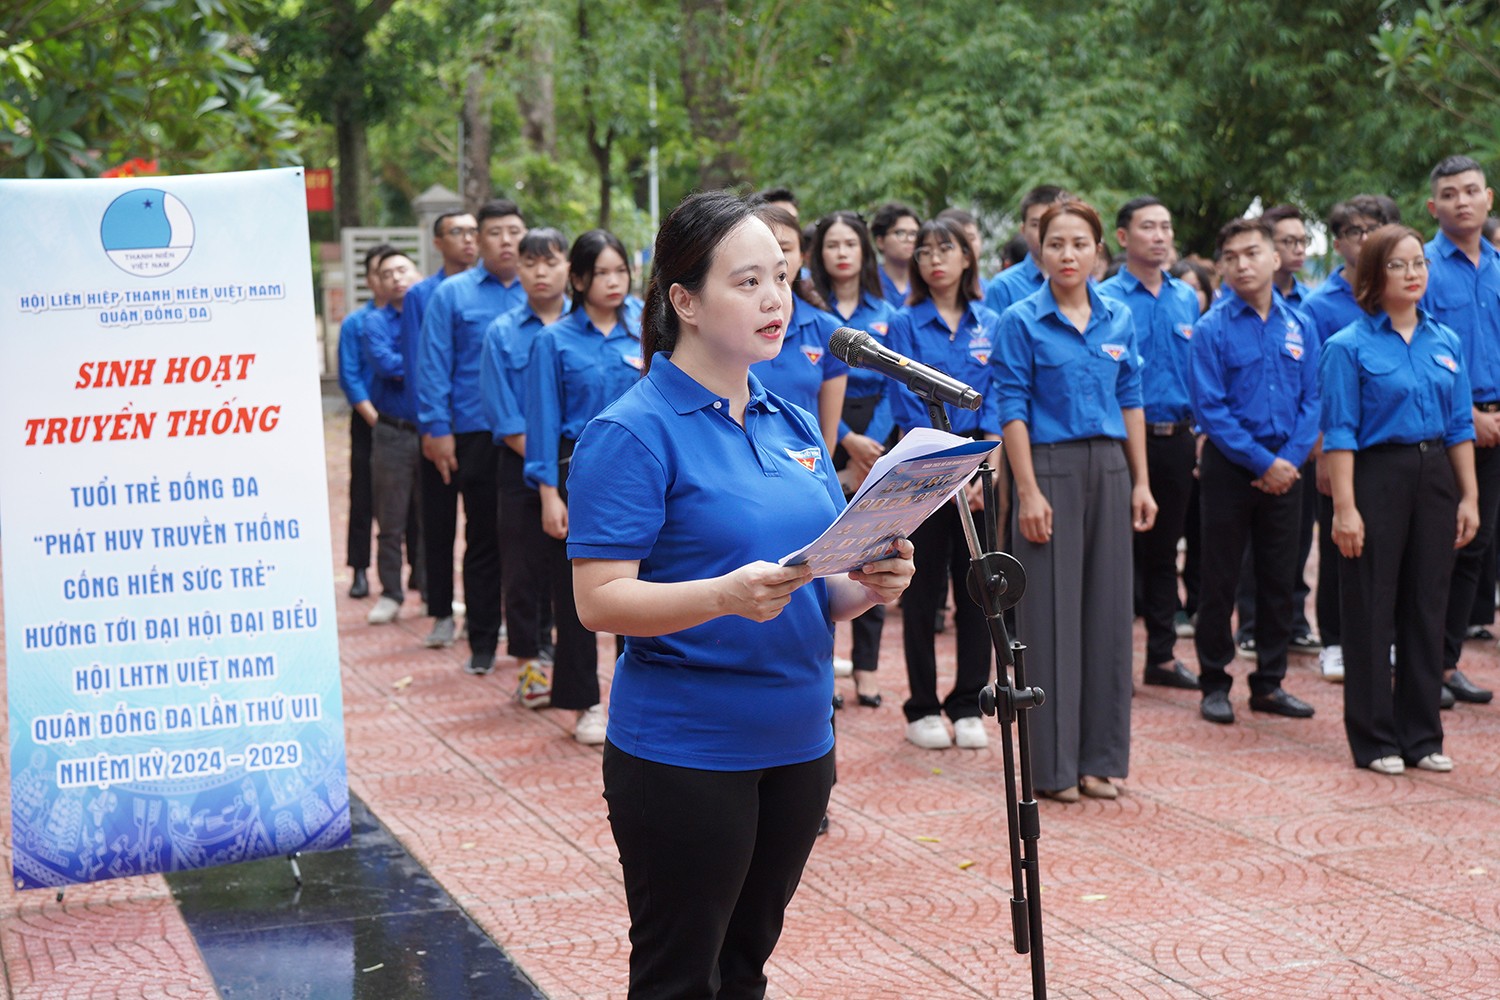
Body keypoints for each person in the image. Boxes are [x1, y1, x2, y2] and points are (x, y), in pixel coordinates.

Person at [565, 190, 915, 998]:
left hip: (797, 741)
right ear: (684, 301)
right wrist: (722, 595)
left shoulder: (793, 422)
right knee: (680, 975)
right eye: (748, 281)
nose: (775, 300)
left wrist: (869, 586)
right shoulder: (632, 431)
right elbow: (599, 600)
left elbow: (813, 591)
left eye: (782, 279)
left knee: (746, 965)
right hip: (687, 751)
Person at [991, 200, 1157, 800]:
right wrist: (1028, 490)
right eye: (1056, 243)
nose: (1068, 255)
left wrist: (1140, 480)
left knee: (1109, 617)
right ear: (1040, 249)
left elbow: (1132, 396)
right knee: (1049, 620)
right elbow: (1009, 407)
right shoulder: (1020, 319)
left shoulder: (1119, 316)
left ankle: (1101, 759)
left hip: (1110, 466)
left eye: (1079, 244)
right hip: (1050, 469)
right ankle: (1054, 768)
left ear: (1097, 251)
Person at [1320, 223, 1478, 773]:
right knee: (1369, 605)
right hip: (1376, 475)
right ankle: (1375, 738)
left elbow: (1460, 426)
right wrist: (1345, 508)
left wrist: (1469, 497)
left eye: (1420, 263)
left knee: (1426, 605)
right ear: (1373, 275)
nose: (1413, 274)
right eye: (1398, 264)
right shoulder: (1348, 346)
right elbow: (1339, 432)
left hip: (1435, 475)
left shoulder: (1446, 341)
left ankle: (1422, 735)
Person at [1190, 218, 1320, 726]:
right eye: (1232, 256)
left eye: (1252, 253)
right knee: (1219, 578)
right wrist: (1264, 463)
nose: (1242, 264)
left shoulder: (1301, 324)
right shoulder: (1211, 328)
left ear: (1273, 258)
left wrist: (1288, 460)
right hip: (1231, 465)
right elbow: (1211, 408)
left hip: (1288, 466)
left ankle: (1270, 681)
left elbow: (1313, 399)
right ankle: (1215, 681)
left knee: (1279, 578)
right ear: (1222, 265)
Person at [885, 217, 1002, 751]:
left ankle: (968, 702)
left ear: (966, 258)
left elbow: (999, 395)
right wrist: (947, 468)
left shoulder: (990, 322)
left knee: (978, 588)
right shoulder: (904, 323)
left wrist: (982, 463)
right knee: (922, 588)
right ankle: (923, 705)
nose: (935, 259)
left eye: (946, 249)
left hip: (978, 472)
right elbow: (906, 401)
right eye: (925, 251)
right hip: (927, 472)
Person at [525, 229, 642, 743]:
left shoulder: (646, 331)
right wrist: (549, 492)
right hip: (578, 473)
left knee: (640, 592)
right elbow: (543, 422)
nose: (613, 282)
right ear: (578, 279)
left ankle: (634, 698)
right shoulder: (553, 340)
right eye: (601, 273)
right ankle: (584, 703)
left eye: (621, 271)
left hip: (641, 475)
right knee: (579, 595)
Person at [417, 200, 528, 674]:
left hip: (533, 433)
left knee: (532, 541)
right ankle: (482, 640)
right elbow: (433, 364)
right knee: (483, 537)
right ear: (477, 241)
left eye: (514, 231)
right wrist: (436, 430)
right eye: (495, 232)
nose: (506, 240)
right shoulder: (452, 294)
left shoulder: (541, 288)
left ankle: (534, 639)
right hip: (475, 431)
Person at [1097, 197, 1201, 691]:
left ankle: (1161, 655)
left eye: (1166, 226)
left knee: (1164, 554)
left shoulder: (1186, 298)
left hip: (1177, 439)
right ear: (1123, 237)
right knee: (1116, 555)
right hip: (1119, 442)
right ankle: (1110, 661)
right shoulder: (1105, 301)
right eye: (1147, 227)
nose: (1159, 236)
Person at [1302, 195, 1396, 683]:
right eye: (1356, 231)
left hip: (1388, 445)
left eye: (1375, 228)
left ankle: (1386, 636)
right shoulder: (1321, 306)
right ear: (1338, 242)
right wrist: (1319, 448)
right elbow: (1315, 382)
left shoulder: (1404, 297)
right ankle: (1334, 640)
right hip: (1340, 442)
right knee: (1341, 542)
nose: (1366, 239)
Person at [480, 228, 571, 707]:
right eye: (530, 263)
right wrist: (545, 465)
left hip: (581, 467)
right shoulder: (501, 333)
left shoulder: (585, 324)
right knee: (522, 570)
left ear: (568, 269)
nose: (540, 272)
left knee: (574, 571)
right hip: (519, 466)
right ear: (517, 270)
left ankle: (568, 658)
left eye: (550, 262)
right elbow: (503, 412)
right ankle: (529, 666)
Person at [809, 210, 896, 706]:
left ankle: (867, 667)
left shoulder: (884, 309)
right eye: (831, 244)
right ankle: (830, 661)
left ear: (865, 252)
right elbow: (819, 390)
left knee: (875, 550)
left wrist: (871, 447)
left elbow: (895, 384)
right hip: (826, 431)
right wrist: (843, 440)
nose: (841, 253)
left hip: (878, 435)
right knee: (826, 554)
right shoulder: (811, 313)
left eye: (851, 244)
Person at [1423, 155, 1500, 707]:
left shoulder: (1499, 265)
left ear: (1489, 198)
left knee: (1477, 547)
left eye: (1471, 191)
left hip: (1496, 426)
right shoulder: (1420, 265)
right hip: (1444, 428)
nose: (1462, 201)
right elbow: (1416, 347)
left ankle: (1447, 663)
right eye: (1450, 194)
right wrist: (1469, 416)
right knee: (1435, 549)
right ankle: (1419, 661)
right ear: (1433, 207)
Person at [748, 204, 847, 453]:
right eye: (764, 247)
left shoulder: (828, 330)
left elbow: (828, 437)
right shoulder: (726, 327)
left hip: (806, 467)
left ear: (803, 256)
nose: (774, 258)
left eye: (784, 248)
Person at [361, 249, 425, 625]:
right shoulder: (374, 322)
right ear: (378, 284)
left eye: (403, 269)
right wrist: (422, 362)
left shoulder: (430, 314)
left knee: (433, 518)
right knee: (391, 518)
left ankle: (435, 596)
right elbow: (386, 364)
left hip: (432, 432)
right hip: (392, 433)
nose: (397, 278)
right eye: (387, 273)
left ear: (417, 273)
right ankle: (390, 592)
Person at [337, 243, 392, 600]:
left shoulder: (412, 316)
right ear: (371, 279)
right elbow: (350, 375)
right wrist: (374, 418)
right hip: (368, 420)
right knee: (364, 495)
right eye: (380, 272)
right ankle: (359, 569)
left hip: (404, 422)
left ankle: (413, 573)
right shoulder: (355, 323)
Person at [983, 185, 1068, 318]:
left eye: (1052, 223)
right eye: (1036, 224)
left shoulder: (1084, 283)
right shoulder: (1003, 287)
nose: (1044, 232)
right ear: (1023, 230)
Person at [871, 201, 921, 306]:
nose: (910, 239)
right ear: (880, 241)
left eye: (914, 234)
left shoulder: (926, 281)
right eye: (900, 233)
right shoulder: (869, 282)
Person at [937, 206, 986, 292]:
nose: (967, 246)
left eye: (971, 238)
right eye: (959, 240)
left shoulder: (991, 290)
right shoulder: (915, 298)